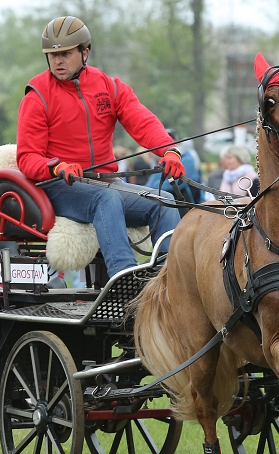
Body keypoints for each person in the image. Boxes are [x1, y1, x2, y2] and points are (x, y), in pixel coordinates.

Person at [16, 16, 183, 277]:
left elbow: (142, 121)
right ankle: (124, 280)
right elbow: (26, 157)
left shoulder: (110, 86)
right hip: (60, 187)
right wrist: (56, 166)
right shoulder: (37, 95)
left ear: (85, 52)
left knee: (164, 201)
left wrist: (169, 150)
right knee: (107, 198)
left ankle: (171, 281)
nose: (57, 61)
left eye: (66, 54)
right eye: (51, 55)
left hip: (107, 182)